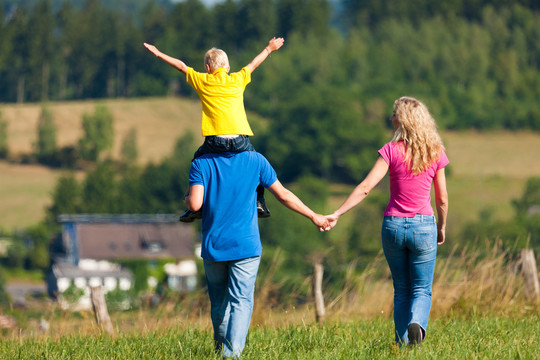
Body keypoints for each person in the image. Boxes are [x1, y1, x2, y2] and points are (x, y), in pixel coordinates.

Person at [325, 96, 449, 346]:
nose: (390, 118)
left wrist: (337, 213)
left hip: (392, 226)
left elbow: (366, 187)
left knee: (402, 289)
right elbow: (442, 198)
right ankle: (418, 325)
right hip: (423, 225)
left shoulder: (391, 150)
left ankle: (402, 344)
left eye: (393, 115)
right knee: (422, 289)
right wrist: (441, 226)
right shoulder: (435, 151)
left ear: (401, 121)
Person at [184, 150, 329, 358]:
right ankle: (230, 355)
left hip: (214, 245)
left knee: (219, 305)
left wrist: (187, 197)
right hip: (246, 246)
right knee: (241, 302)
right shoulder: (256, 160)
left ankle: (221, 353)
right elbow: (284, 195)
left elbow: (195, 204)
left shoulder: (201, 162)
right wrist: (313, 215)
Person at [143, 37, 285, 222]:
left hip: (215, 141)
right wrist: (269, 48)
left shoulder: (203, 80)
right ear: (227, 67)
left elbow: (181, 66)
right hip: (240, 141)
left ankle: (194, 205)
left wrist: (159, 53)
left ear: (208, 68)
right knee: (256, 163)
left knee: (197, 159)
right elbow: (253, 63)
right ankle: (259, 200)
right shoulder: (237, 78)